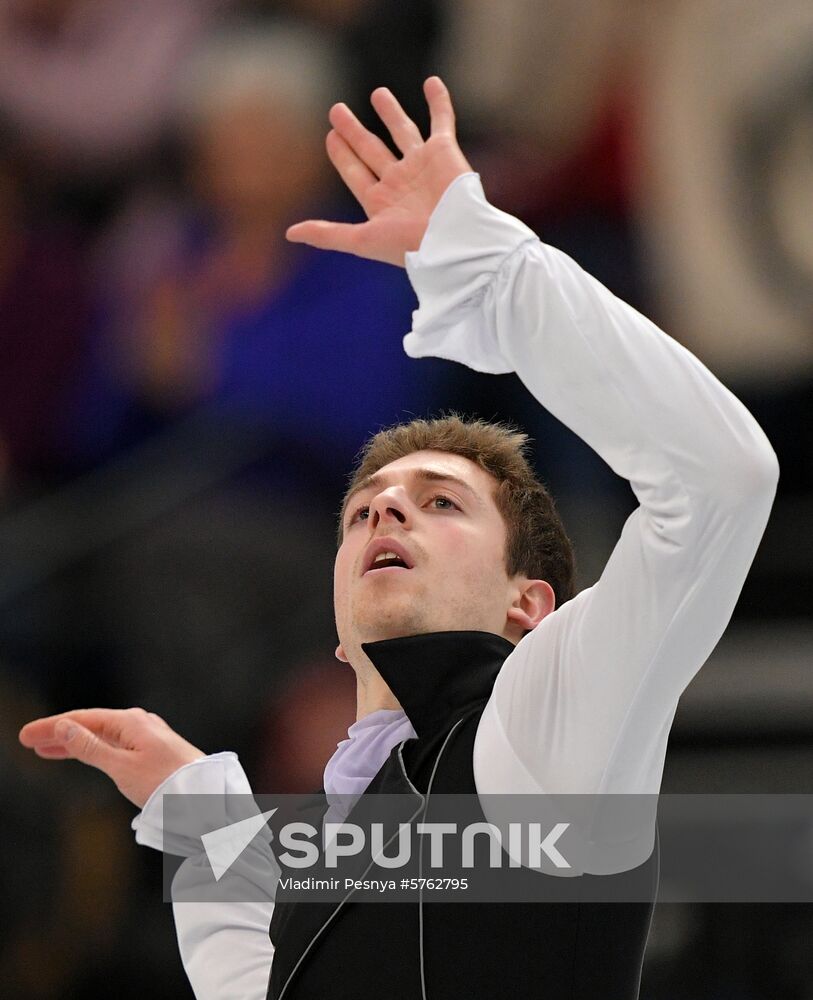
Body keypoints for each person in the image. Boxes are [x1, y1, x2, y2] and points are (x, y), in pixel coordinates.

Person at [19, 77, 779, 999]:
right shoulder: (351, 833)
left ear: (528, 606)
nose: (384, 510)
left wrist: (491, 267)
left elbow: (719, 479)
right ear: (337, 630)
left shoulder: (539, 731)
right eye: (364, 507)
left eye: (441, 503)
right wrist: (201, 810)